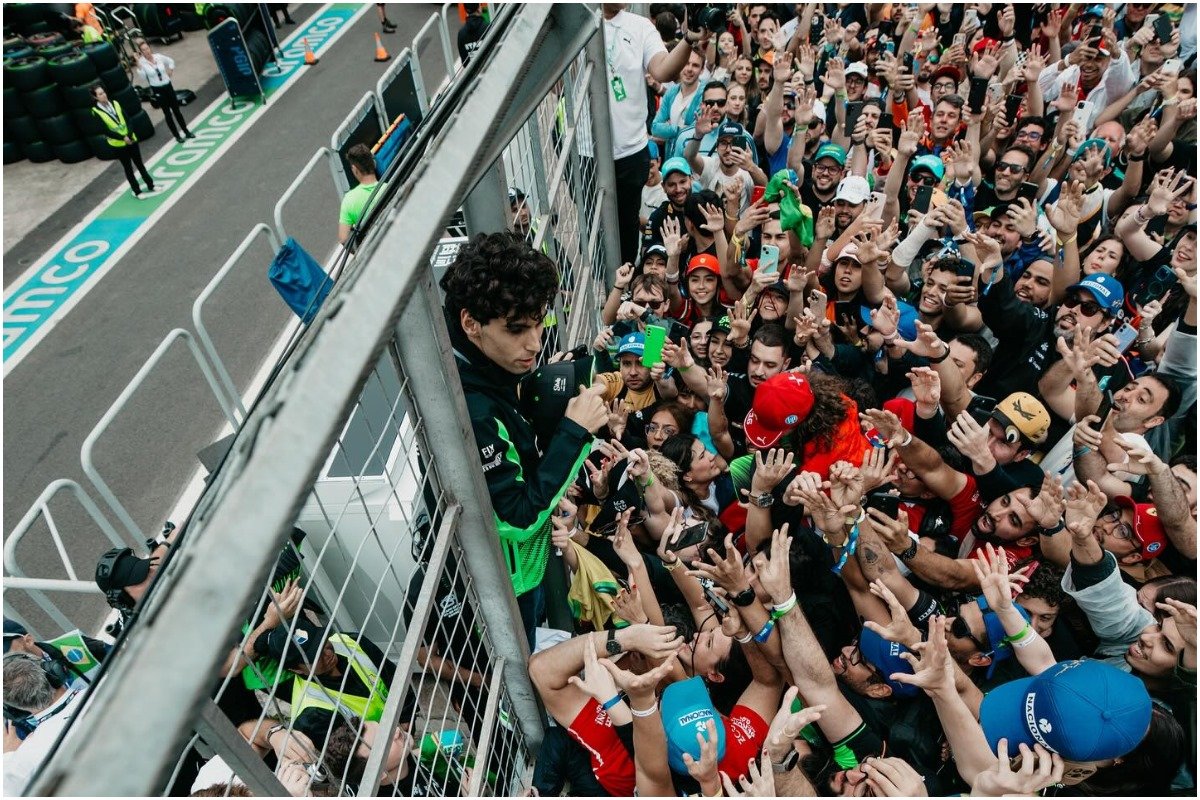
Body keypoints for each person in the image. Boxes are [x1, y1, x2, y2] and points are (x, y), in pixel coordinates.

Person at [439, 232, 608, 647]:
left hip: (519, 567)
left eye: (539, 322)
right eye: (517, 329)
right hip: (509, 583)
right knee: (524, 656)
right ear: (470, 323)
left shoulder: (474, 356)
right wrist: (575, 432)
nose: (534, 343)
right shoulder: (471, 410)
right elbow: (517, 517)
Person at [601, 2, 709, 264]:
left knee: (626, 230)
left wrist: (688, 39)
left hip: (630, 151)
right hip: (586, 153)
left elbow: (663, 70)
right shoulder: (575, 22)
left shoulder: (639, 27)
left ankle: (624, 280)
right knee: (593, 229)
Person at [92, 84, 155, 199]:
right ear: (95, 97)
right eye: (100, 94)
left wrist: (129, 135)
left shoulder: (115, 103)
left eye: (103, 92)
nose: (104, 95)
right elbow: (105, 130)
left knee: (140, 164)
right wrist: (122, 138)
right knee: (128, 168)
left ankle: (151, 185)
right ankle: (137, 191)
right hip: (118, 145)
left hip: (131, 139)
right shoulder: (96, 111)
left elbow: (127, 119)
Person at [134, 39, 193, 143]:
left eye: (147, 48)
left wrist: (170, 69)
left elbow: (171, 61)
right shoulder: (142, 63)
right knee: (167, 113)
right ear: (141, 52)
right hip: (158, 89)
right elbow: (143, 77)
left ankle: (186, 131)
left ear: (149, 48)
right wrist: (138, 63)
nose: (147, 51)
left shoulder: (158, 57)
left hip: (167, 86)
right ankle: (177, 135)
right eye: (144, 50)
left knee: (177, 110)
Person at [338, 144, 386, 245]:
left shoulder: (349, 200)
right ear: (374, 163)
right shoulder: (389, 187)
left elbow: (343, 239)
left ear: (355, 169)